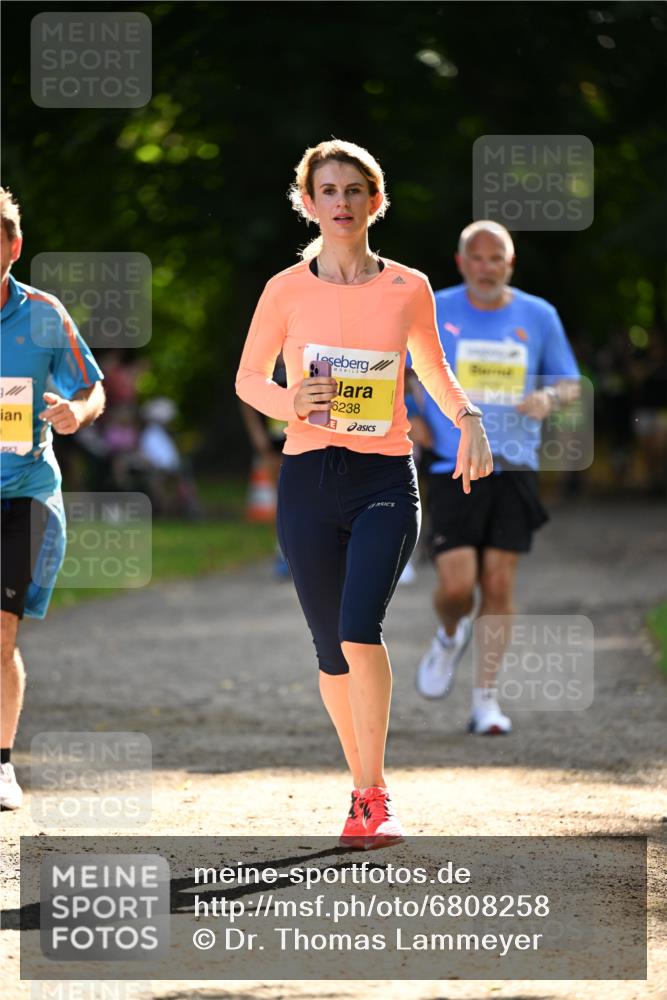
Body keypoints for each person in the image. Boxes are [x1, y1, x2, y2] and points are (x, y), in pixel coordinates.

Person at [236, 141, 492, 848]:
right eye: (328, 190)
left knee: (359, 629)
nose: (342, 202)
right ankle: (359, 789)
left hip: (383, 476)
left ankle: (373, 794)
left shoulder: (407, 287)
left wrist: (468, 418)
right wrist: (291, 399)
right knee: (328, 650)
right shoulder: (284, 289)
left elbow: (433, 371)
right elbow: (247, 378)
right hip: (308, 479)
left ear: (375, 201)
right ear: (308, 201)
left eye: (354, 190)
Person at [414, 220, 580, 734]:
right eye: (477, 258)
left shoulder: (539, 314)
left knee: (499, 582)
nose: (486, 268)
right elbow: (392, 368)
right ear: (461, 262)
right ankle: (448, 633)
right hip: (451, 463)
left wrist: (547, 397)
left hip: (513, 462)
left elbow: (570, 381)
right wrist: (407, 413)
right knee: (459, 587)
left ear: (510, 264)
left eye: (496, 259)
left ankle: (485, 700)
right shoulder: (433, 308)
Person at [0, 187, 105, 810]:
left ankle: (0, 763)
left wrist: (75, 413)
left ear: (13, 247)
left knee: (1, 630)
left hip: (26, 494)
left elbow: (91, 388)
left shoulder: (43, 315)